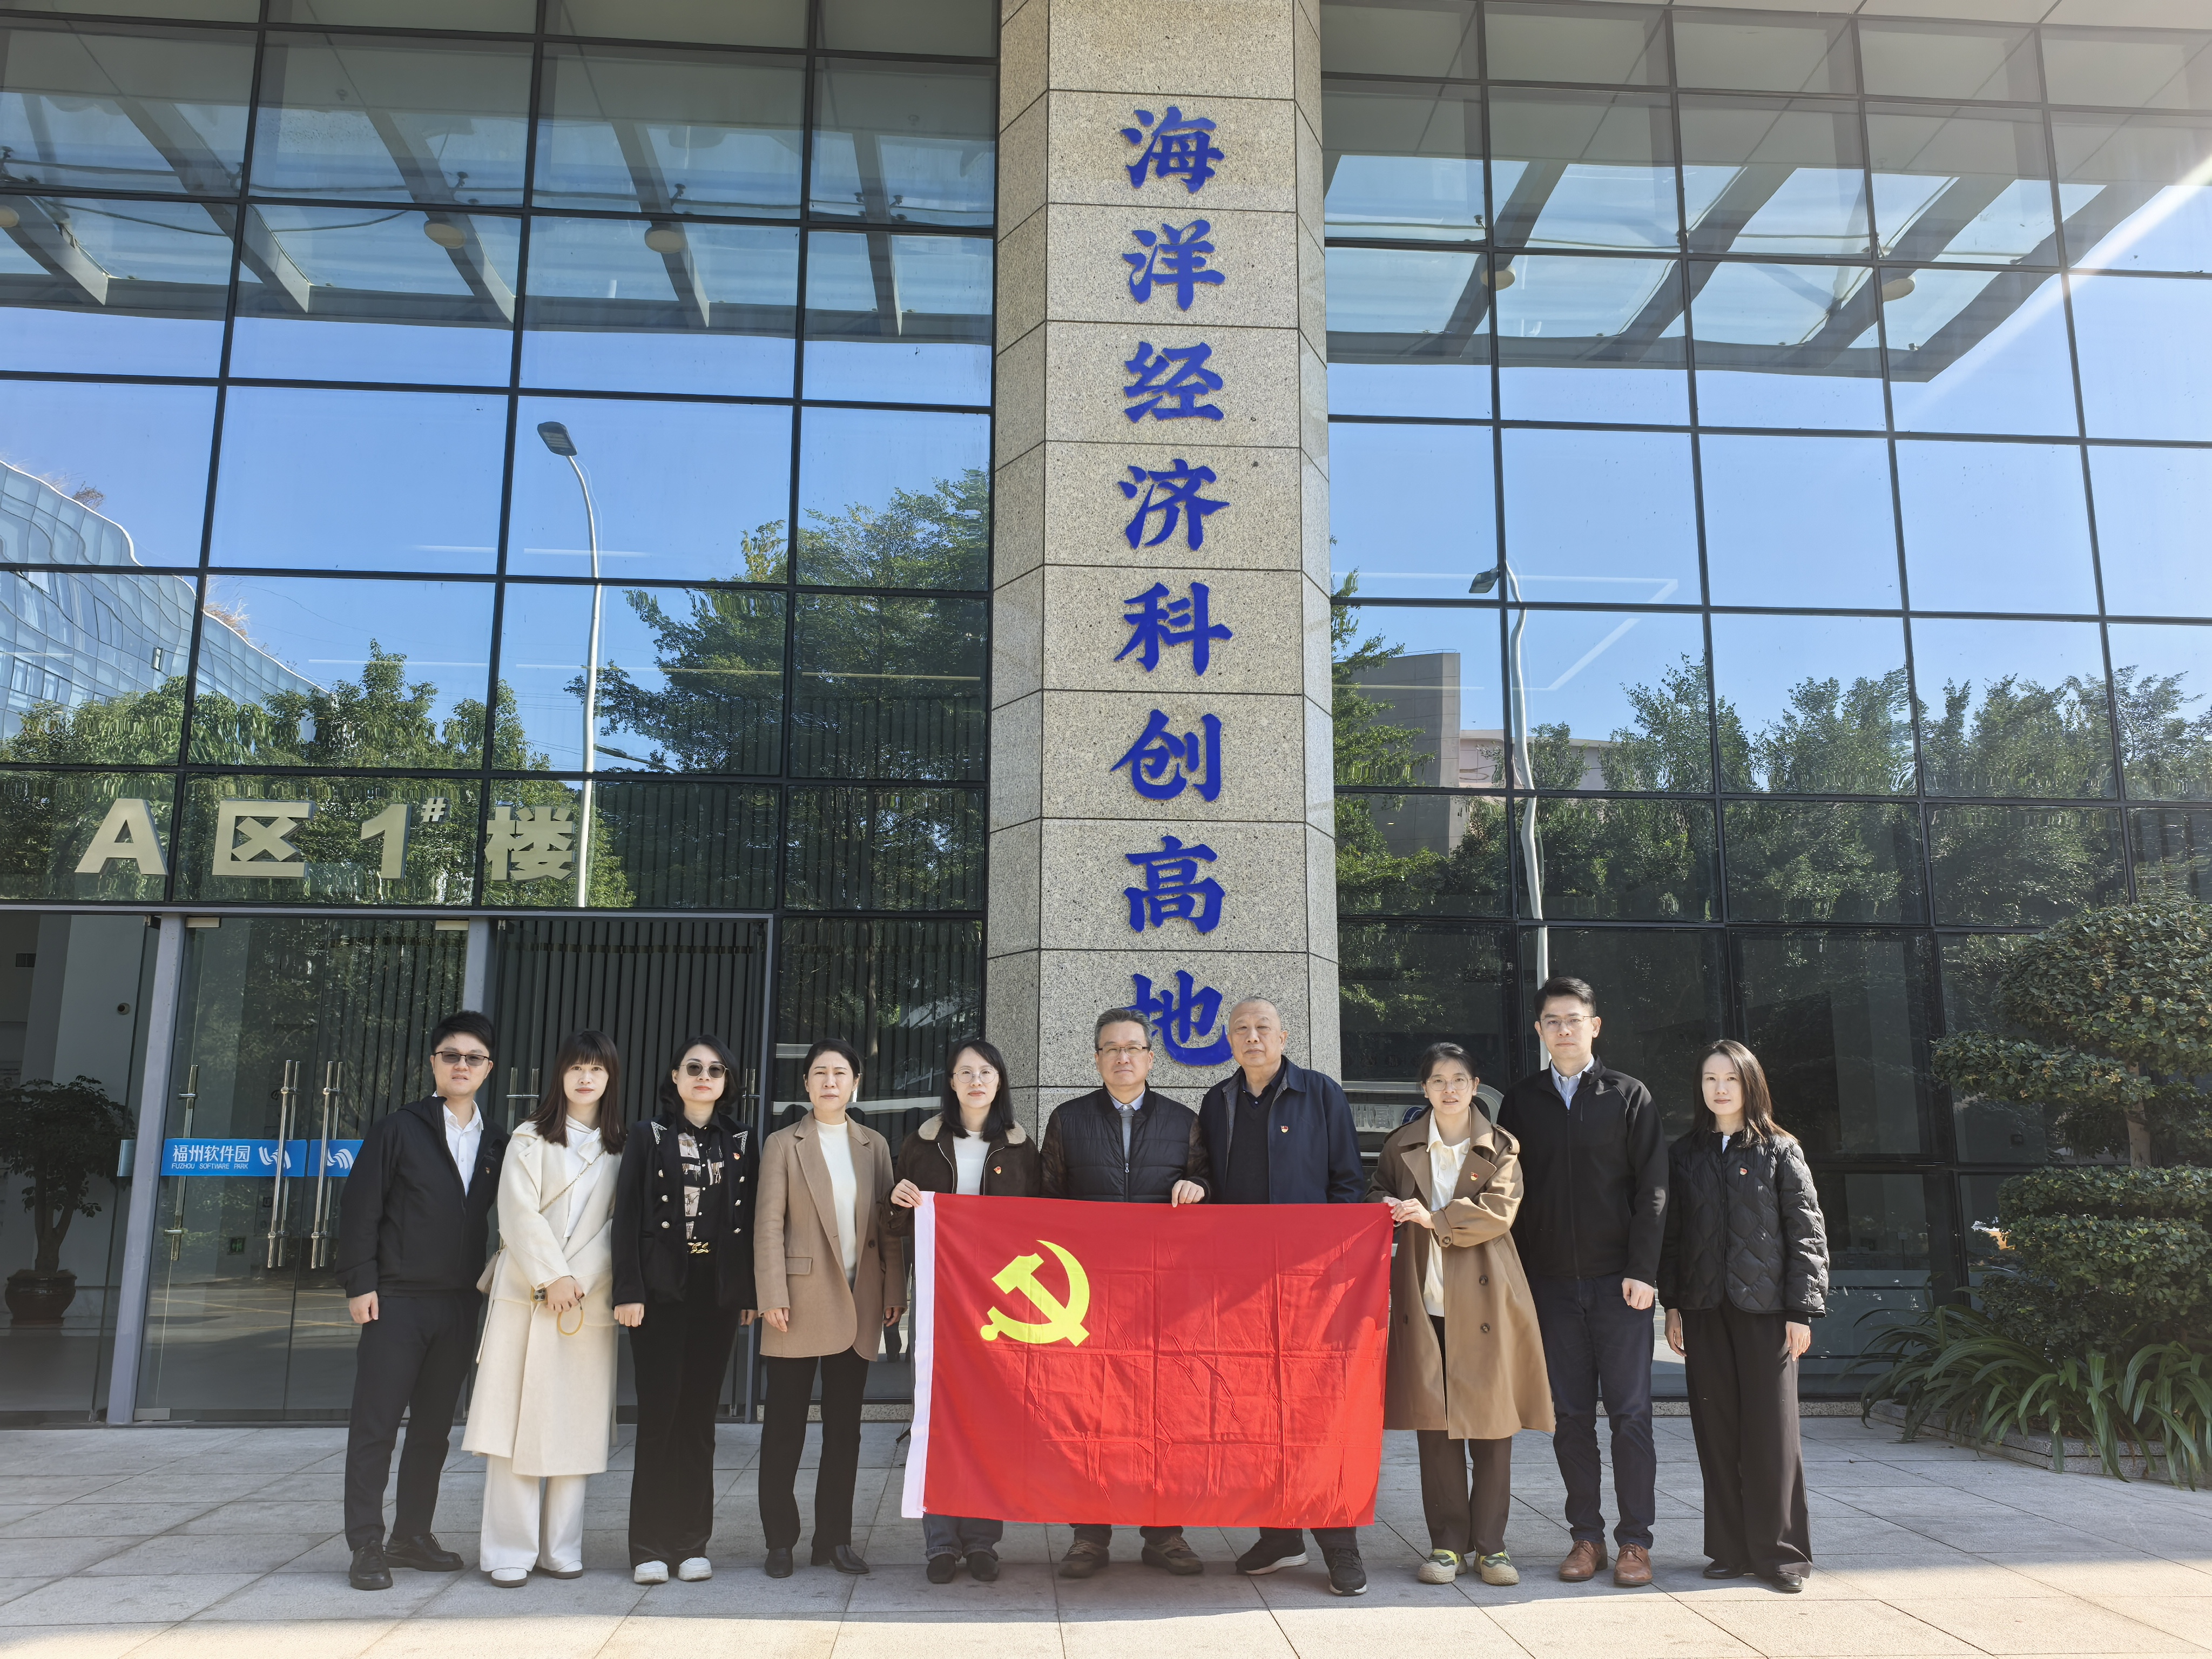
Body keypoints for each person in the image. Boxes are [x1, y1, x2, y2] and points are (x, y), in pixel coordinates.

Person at [1496, 975, 1668, 1588]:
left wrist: (1644, 1271)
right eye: (1552, 1020)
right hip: (1549, 1286)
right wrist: (1517, 1279)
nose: (1563, 1030)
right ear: (1539, 1030)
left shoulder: (1628, 1095)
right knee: (1570, 1416)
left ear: (1594, 1027)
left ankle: (1635, 1542)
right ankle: (1586, 1537)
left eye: (1573, 1019)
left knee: (1631, 1415)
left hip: (1620, 1285)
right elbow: (1508, 1194)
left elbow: (1653, 1190)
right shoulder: (1522, 1101)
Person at [1196, 998, 1369, 1597]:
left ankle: (1339, 1542)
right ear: (1229, 1041)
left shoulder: (1320, 1094)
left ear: (1284, 1035)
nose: (1252, 1037)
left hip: (1309, 1285)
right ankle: (1279, 1534)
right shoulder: (1217, 1101)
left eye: (1263, 1028)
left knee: (1318, 1413)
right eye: (1241, 1030)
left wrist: (1328, 1264)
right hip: (1240, 1287)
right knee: (1256, 1410)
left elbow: (1348, 1184)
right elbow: (1210, 1184)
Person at [335, 1011, 509, 1593]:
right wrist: (360, 1283)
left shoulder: (497, 1140)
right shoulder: (399, 1129)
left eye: (473, 1058)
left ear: (488, 1068)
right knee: (376, 1426)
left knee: (434, 1430)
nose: (462, 1065)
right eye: (450, 1055)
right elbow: (360, 1208)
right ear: (434, 1062)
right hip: (396, 1301)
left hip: (458, 1304)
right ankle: (366, 1543)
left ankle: (411, 1535)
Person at [1368, 1042, 1553, 1588]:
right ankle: (1447, 1543)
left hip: (1489, 1299)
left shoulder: (1500, 1146)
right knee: (1436, 1427)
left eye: (1458, 1079)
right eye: (1437, 1080)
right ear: (1424, 1089)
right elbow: (1376, 1190)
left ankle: (1492, 1548)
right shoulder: (1401, 1143)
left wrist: (1434, 1219)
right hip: (1425, 1299)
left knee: (1493, 1425)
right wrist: (1384, 1206)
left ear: (1475, 1087)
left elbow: (1500, 1210)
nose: (1448, 1089)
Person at [1040, 1007, 1209, 1580]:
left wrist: (1198, 1185)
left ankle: (1165, 1533)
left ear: (1150, 1058)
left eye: (1133, 1047)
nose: (1122, 1057)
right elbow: (1046, 1202)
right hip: (1088, 1296)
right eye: (1111, 1048)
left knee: (1164, 1416)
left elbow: (1210, 1185)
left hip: (1163, 1296)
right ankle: (1089, 1535)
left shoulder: (1184, 1121)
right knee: (1090, 1416)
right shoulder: (1067, 1120)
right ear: (1096, 1059)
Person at [1661, 1040, 1829, 1594]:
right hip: (1704, 1310)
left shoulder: (1781, 1150)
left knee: (1773, 1437)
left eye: (1730, 1078)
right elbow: (1673, 1237)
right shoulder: (1684, 1153)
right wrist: (1673, 1304)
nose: (1720, 1088)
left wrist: (1802, 1310)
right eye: (1710, 1079)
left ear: (1750, 1084)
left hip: (1769, 1314)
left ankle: (1781, 1555)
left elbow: (1806, 1234)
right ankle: (1728, 1551)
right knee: (1716, 1434)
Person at [463, 1030, 626, 1586]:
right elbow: (517, 1213)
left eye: (597, 1069)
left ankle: (560, 1547)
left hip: (585, 1300)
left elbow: (620, 1226)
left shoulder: (622, 1146)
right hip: (526, 1296)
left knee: (574, 1426)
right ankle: (509, 1549)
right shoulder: (530, 1137)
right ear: (560, 1074)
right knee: (514, 1429)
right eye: (577, 1067)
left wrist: (577, 1280)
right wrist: (552, 1276)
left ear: (610, 1078)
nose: (586, 1078)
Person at [887, 1037, 1041, 1584]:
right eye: (965, 1072)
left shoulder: (1022, 1148)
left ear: (1000, 1082)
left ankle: (981, 1541)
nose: (977, 1081)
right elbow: (893, 1223)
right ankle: (940, 1543)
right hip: (938, 1299)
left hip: (1000, 1304)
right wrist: (898, 1201)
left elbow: (1039, 1226)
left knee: (989, 1416)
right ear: (951, 1082)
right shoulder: (921, 1143)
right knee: (937, 1414)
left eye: (986, 1072)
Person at [612, 1033, 759, 1587]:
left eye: (715, 1070)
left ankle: (692, 1543)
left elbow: (748, 1223)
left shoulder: (740, 1139)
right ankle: (648, 1546)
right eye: (693, 1068)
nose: (704, 1077)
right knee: (660, 1418)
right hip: (659, 1291)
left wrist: (747, 1293)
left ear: (727, 1082)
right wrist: (628, 1290)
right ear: (674, 1077)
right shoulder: (648, 1135)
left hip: (715, 1293)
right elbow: (627, 1216)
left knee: (699, 1420)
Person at [754, 1038, 902, 1579]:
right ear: (806, 1083)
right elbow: (768, 1225)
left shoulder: (873, 1145)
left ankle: (833, 1540)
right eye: (820, 1072)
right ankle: (780, 1541)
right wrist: (771, 1294)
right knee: (784, 1429)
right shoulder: (783, 1143)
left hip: (859, 1302)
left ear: (855, 1083)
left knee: (844, 1431)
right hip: (796, 1302)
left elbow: (888, 1227)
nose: (830, 1081)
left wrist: (894, 1292)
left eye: (840, 1073)